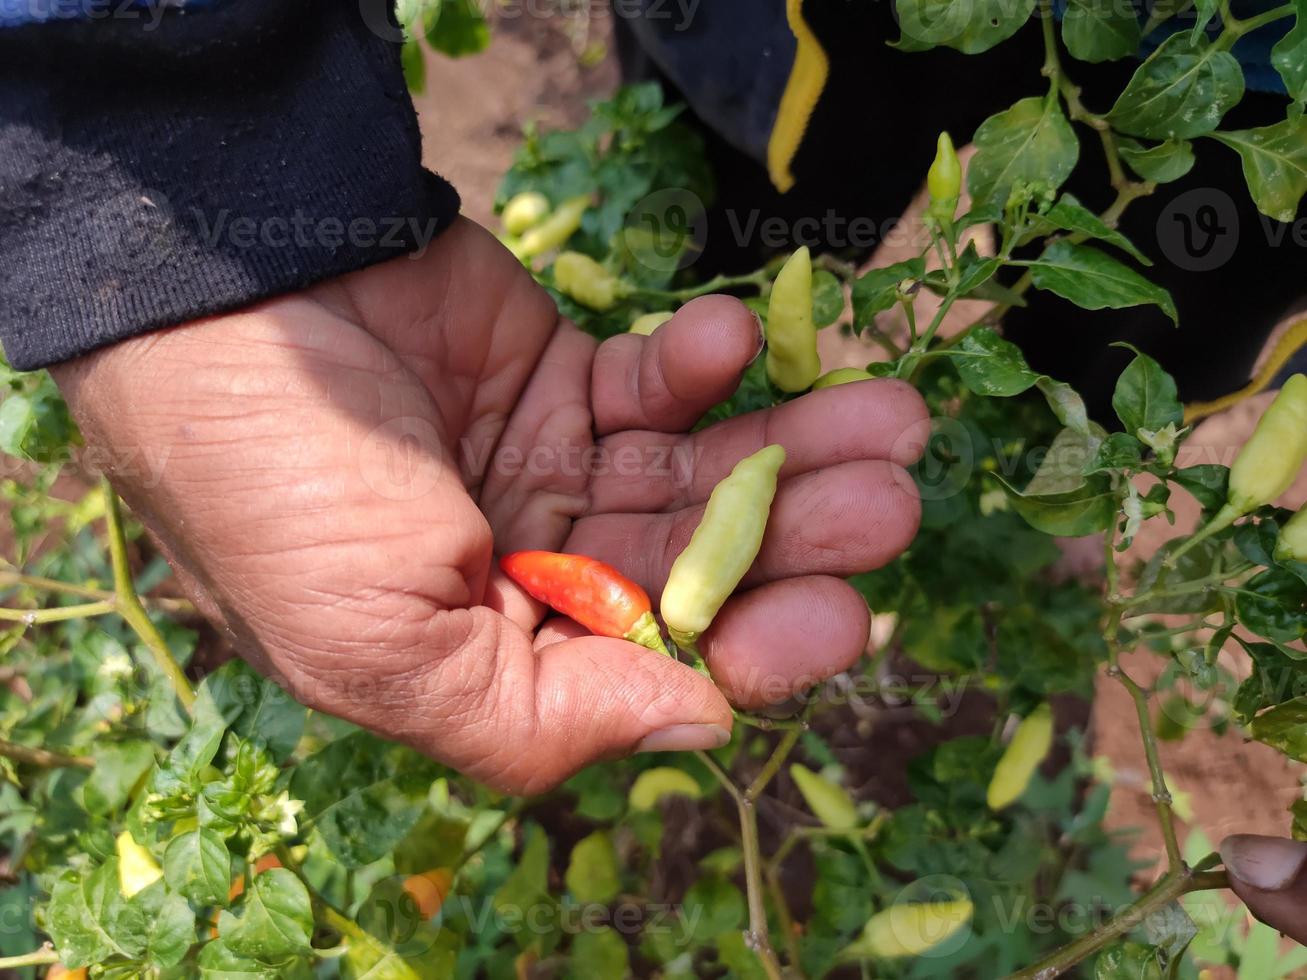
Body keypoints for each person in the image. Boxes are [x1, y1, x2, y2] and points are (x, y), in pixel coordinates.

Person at [0, 0, 1302, 944]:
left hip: (1244, 62)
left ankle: (1058, 469)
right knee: (759, 160)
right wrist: (175, 191)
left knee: (1156, 313)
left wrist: (167, 191)